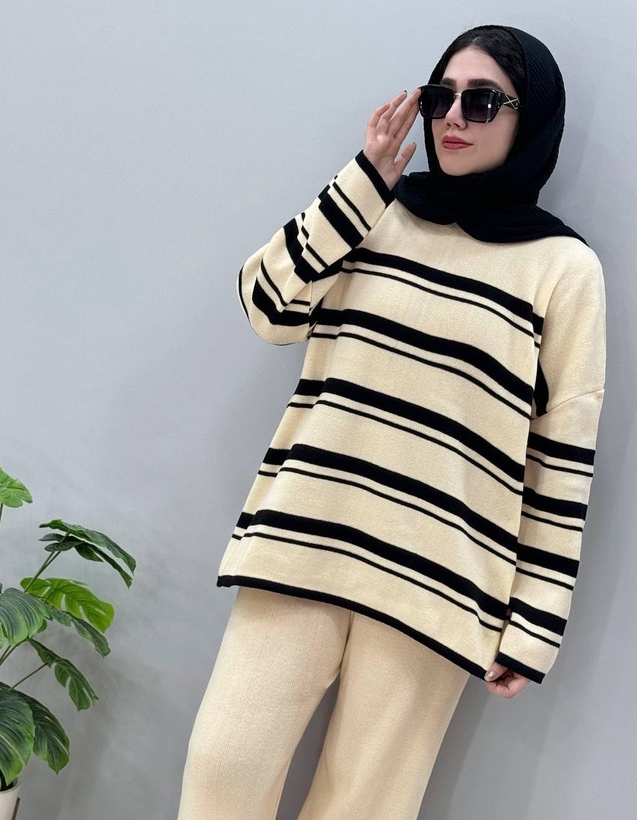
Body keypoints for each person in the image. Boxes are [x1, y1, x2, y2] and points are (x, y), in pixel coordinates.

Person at [178, 24, 605, 820]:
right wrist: (362, 183)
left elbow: (562, 454)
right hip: (306, 541)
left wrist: (533, 624)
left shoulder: (563, 269)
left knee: (365, 806)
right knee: (222, 765)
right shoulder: (369, 215)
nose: (455, 118)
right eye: (442, 96)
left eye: (484, 101)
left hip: (440, 583)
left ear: (532, 119)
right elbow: (267, 307)